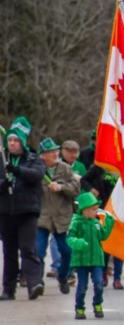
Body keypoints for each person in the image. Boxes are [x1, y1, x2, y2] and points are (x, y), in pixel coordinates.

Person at [0, 121, 45, 300]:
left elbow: (37, 176)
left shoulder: (33, 159)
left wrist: (18, 171)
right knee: (9, 251)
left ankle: (34, 283)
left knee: (27, 248)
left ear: (23, 142)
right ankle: (8, 288)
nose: (12, 143)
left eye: (16, 140)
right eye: (9, 140)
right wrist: (3, 185)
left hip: (27, 211)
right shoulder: (2, 159)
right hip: (5, 212)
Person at [35, 138, 80, 294]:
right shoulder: (38, 169)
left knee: (66, 251)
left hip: (62, 217)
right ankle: (37, 282)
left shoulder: (65, 169)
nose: (55, 154)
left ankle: (63, 277)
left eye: (56, 151)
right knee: (38, 252)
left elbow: (76, 189)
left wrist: (61, 187)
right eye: (50, 152)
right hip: (43, 216)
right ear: (43, 156)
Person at [67, 192, 115, 319]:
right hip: (82, 261)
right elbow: (70, 237)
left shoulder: (97, 223)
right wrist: (78, 243)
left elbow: (104, 235)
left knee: (99, 283)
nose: (97, 212)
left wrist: (109, 222)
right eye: (94, 209)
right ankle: (79, 308)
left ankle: (97, 304)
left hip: (96, 259)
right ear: (85, 210)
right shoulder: (76, 222)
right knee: (82, 286)